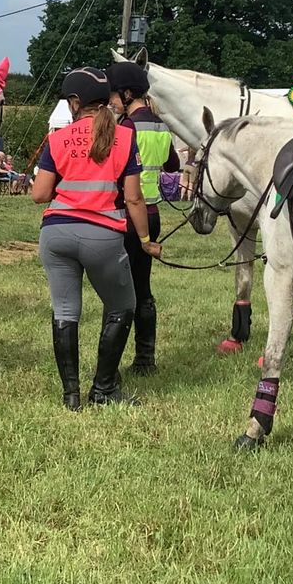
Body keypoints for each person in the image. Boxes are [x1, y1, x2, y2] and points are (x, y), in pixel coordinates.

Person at [31, 67, 162, 410]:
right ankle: (103, 388)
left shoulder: (57, 139)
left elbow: (39, 194)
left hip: (56, 233)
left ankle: (71, 395)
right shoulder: (123, 137)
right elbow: (134, 198)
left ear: (75, 103)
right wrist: (146, 239)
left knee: (65, 311)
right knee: (122, 307)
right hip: (103, 235)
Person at [105, 61, 183, 375]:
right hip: (152, 214)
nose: (110, 102)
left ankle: (119, 358)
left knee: (122, 289)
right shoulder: (162, 126)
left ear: (126, 93)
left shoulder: (125, 128)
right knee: (143, 287)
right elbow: (172, 165)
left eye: (112, 96)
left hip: (127, 214)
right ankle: (145, 358)